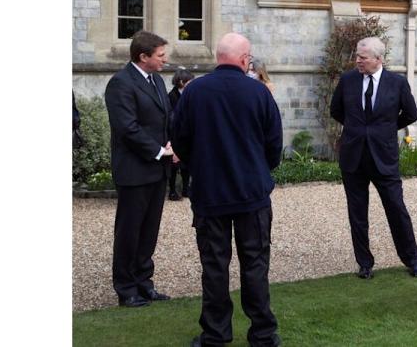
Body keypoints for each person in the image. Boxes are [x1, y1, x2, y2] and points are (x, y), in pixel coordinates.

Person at [171, 33, 283, 347]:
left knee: (214, 265)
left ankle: (216, 334)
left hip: (210, 194)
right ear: (245, 58)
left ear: (218, 57)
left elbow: (180, 138)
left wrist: (200, 168)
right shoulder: (259, 93)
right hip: (251, 194)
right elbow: (274, 143)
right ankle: (262, 334)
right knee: (256, 263)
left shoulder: (194, 92)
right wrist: (259, 170)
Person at [330, 36, 417, 279]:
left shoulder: (397, 83)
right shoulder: (349, 79)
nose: (357, 61)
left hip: (383, 156)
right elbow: (336, 110)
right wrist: (357, 130)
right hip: (353, 156)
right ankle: (365, 263)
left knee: (396, 208)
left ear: (378, 59)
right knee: (357, 213)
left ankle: (412, 259)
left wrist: (385, 128)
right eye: (357, 56)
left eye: (363, 57)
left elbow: (411, 113)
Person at [103, 30, 174, 308]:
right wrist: (158, 151)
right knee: (129, 232)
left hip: (157, 170)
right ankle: (126, 288)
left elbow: (164, 118)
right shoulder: (120, 84)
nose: (165, 60)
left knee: (149, 231)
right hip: (134, 171)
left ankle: (145, 283)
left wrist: (172, 144)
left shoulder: (156, 80)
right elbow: (127, 128)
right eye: (160, 55)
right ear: (143, 57)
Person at [167, 68, 194, 200]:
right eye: (190, 81)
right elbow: (170, 119)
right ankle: (172, 190)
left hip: (187, 133)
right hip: (174, 134)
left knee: (186, 165)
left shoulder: (190, 95)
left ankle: (185, 188)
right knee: (174, 165)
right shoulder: (171, 97)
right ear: (182, 82)